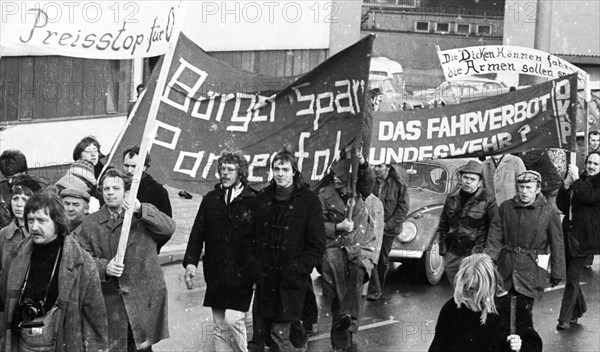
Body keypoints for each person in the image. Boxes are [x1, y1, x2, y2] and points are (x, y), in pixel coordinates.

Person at [76, 169, 176, 352]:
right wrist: (104, 267)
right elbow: (80, 257)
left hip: (141, 300)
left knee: (142, 347)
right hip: (110, 303)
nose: (110, 192)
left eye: (116, 188)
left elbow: (169, 228)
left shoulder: (143, 214)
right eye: (106, 189)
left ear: (126, 192)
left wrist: (140, 210)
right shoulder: (90, 223)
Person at [0, 191, 108, 351]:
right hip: (22, 342)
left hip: (62, 342)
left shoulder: (81, 261)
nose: (34, 227)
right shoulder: (16, 254)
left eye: (42, 221)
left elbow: (95, 315)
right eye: (31, 220)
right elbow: (4, 301)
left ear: (57, 222)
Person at [247, 148, 325, 352]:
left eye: (285, 169)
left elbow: (317, 244)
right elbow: (251, 236)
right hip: (265, 281)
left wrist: (299, 268)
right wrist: (254, 265)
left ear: (294, 172)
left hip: (291, 282)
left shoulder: (309, 201)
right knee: (263, 340)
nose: (280, 173)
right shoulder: (262, 197)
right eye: (276, 168)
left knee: (280, 337)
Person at [182, 151, 256, 351]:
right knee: (219, 325)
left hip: (242, 273)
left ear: (241, 172)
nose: (225, 173)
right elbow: (198, 233)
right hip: (216, 272)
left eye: (230, 169)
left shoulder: (252, 200)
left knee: (233, 320)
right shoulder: (211, 199)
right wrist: (191, 263)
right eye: (222, 169)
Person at [318, 154, 382, 351]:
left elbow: (369, 180)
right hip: (335, 247)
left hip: (360, 245)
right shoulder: (324, 195)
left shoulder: (358, 190)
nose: (336, 178)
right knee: (340, 292)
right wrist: (337, 226)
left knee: (357, 271)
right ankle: (343, 334)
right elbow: (317, 225)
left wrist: (362, 163)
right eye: (334, 174)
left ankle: (347, 319)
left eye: (341, 174)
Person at [428, 253, 542, 352]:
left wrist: (520, 346)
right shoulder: (452, 308)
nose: (473, 295)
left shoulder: (514, 307)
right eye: (468, 288)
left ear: (490, 284)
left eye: (478, 289)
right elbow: (438, 346)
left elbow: (534, 345)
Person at [486, 170, 565, 312]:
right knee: (502, 310)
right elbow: (495, 235)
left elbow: (557, 243)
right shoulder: (506, 207)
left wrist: (557, 272)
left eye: (529, 187)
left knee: (524, 313)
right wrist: (489, 261)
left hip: (532, 268)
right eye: (521, 187)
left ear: (538, 189)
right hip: (507, 267)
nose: (524, 191)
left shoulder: (548, 211)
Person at [555, 152, 600, 329]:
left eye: (596, 164)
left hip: (586, 238)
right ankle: (578, 309)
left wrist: (574, 181)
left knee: (572, 277)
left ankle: (564, 318)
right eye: (589, 162)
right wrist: (565, 187)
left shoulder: (589, 183)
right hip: (569, 233)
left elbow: (589, 197)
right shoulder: (578, 179)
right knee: (570, 275)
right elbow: (562, 205)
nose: (591, 166)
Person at [437, 160, 498, 287]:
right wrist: (444, 250)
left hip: (475, 256)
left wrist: (487, 256)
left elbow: (495, 229)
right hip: (453, 255)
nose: (468, 181)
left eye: (472, 179)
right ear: (460, 178)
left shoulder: (488, 199)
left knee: (473, 293)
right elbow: (443, 225)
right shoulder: (452, 197)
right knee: (457, 292)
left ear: (479, 182)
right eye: (465, 177)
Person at [366, 162, 409, 301]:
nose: (376, 169)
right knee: (367, 255)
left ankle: (375, 289)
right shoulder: (369, 181)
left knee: (382, 259)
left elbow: (402, 209)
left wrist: (386, 225)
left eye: (380, 166)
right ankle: (366, 287)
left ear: (388, 167)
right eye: (375, 166)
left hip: (387, 230)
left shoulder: (398, 185)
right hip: (369, 226)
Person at [122, 146, 172, 253]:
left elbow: (167, 227)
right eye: (126, 165)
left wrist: (151, 249)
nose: (129, 170)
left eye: (134, 166)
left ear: (144, 167)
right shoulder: (117, 187)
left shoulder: (158, 191)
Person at [0, 179, 40, 276]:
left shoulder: (42, 232)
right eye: (15, 198)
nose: (18, 204)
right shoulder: (3, 234)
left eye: (24, 199)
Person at [0, 150, 46, 228]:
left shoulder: (41, 188)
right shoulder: (1, 189)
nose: (10, 182)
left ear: (25, 172)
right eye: (7, 178)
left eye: (14, 177)